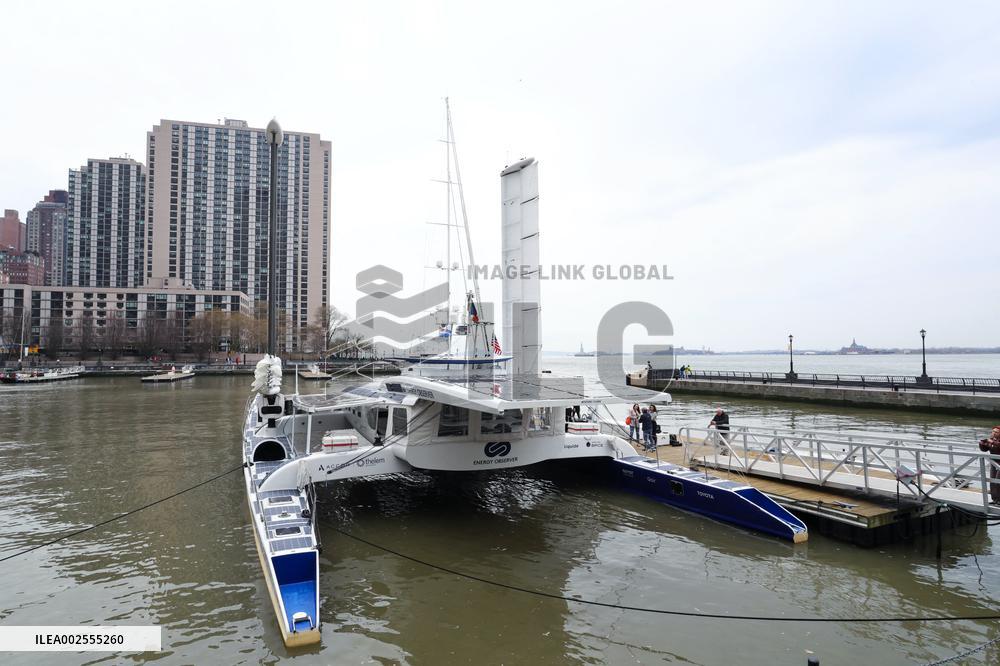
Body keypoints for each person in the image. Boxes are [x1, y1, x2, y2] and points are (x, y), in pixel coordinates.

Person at [979, 426, 1000, 504]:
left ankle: (999, 500)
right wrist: (982, 444)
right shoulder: (992, 440)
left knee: (998, 481)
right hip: (993, 463)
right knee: (992, 481)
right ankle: (995, 499)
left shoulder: (993, 441)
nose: (994, 433)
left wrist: (991, 442)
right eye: (993, 431)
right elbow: (984, 450)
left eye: (996, 432)